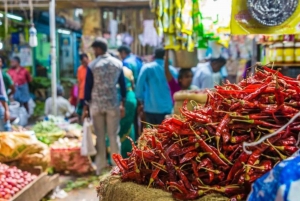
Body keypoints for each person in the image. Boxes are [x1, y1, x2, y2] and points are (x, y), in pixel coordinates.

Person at [83, 38, 126, 174]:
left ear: (99, 49)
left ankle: (100, 167)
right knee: (113, 135)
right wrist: (122, 104)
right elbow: (123, 87)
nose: (94, 52)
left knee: (100, 136)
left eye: (95, 49)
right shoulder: (118, 64)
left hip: (96, 105)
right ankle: (116, 166)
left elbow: (88, 87)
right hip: (113, 104)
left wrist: (86, 106)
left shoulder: (93, 65)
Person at [135, 48, 177, 125]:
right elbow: (176, 89)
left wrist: (140, 101)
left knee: (151, 134)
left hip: (150, 108)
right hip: (167, 109)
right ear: (165, 56)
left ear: (154, 56)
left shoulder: (147, 68)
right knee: (164, 135)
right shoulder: (172, 70)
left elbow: (139, 87)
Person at [118, 66, 137, 158]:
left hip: (125, 100)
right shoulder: (127, 70)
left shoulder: (118, 70)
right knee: (129, 126)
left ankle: (122, 156)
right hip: (130, 97)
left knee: (121, 127)